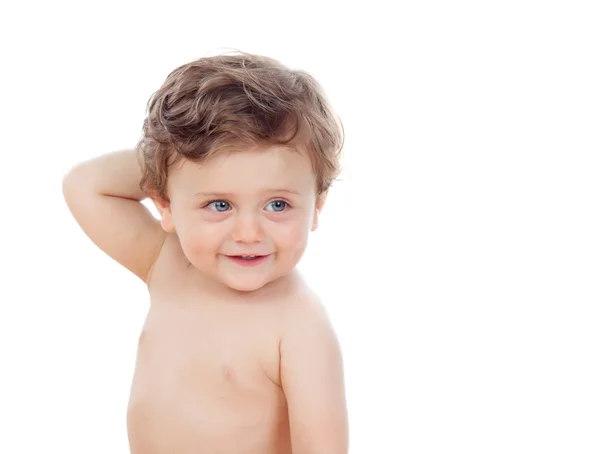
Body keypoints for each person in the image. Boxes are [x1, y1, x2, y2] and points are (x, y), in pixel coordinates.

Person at [62, 51, 348, 454]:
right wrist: (172, 160)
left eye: (278, 205)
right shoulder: (168, 263)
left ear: (316, 206)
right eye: (219, 205)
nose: (249, 233)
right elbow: (85, 185)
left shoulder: (299, 325)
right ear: (165, 204)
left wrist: (189, 176)